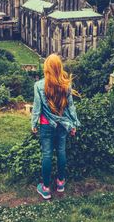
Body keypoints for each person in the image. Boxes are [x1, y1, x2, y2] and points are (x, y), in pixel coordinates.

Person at [31, 53, 81, 199]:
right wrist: (74, 124)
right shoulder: (66, 85)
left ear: (47, 68)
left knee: (46, 154)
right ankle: (60, 183)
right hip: (63, 125)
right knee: (61, 152)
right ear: (59, 68)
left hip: (46, 126)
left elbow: (37, 108)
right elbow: (71, 107)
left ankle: (45, 188)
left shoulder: (38, 85)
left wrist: (34, 123)